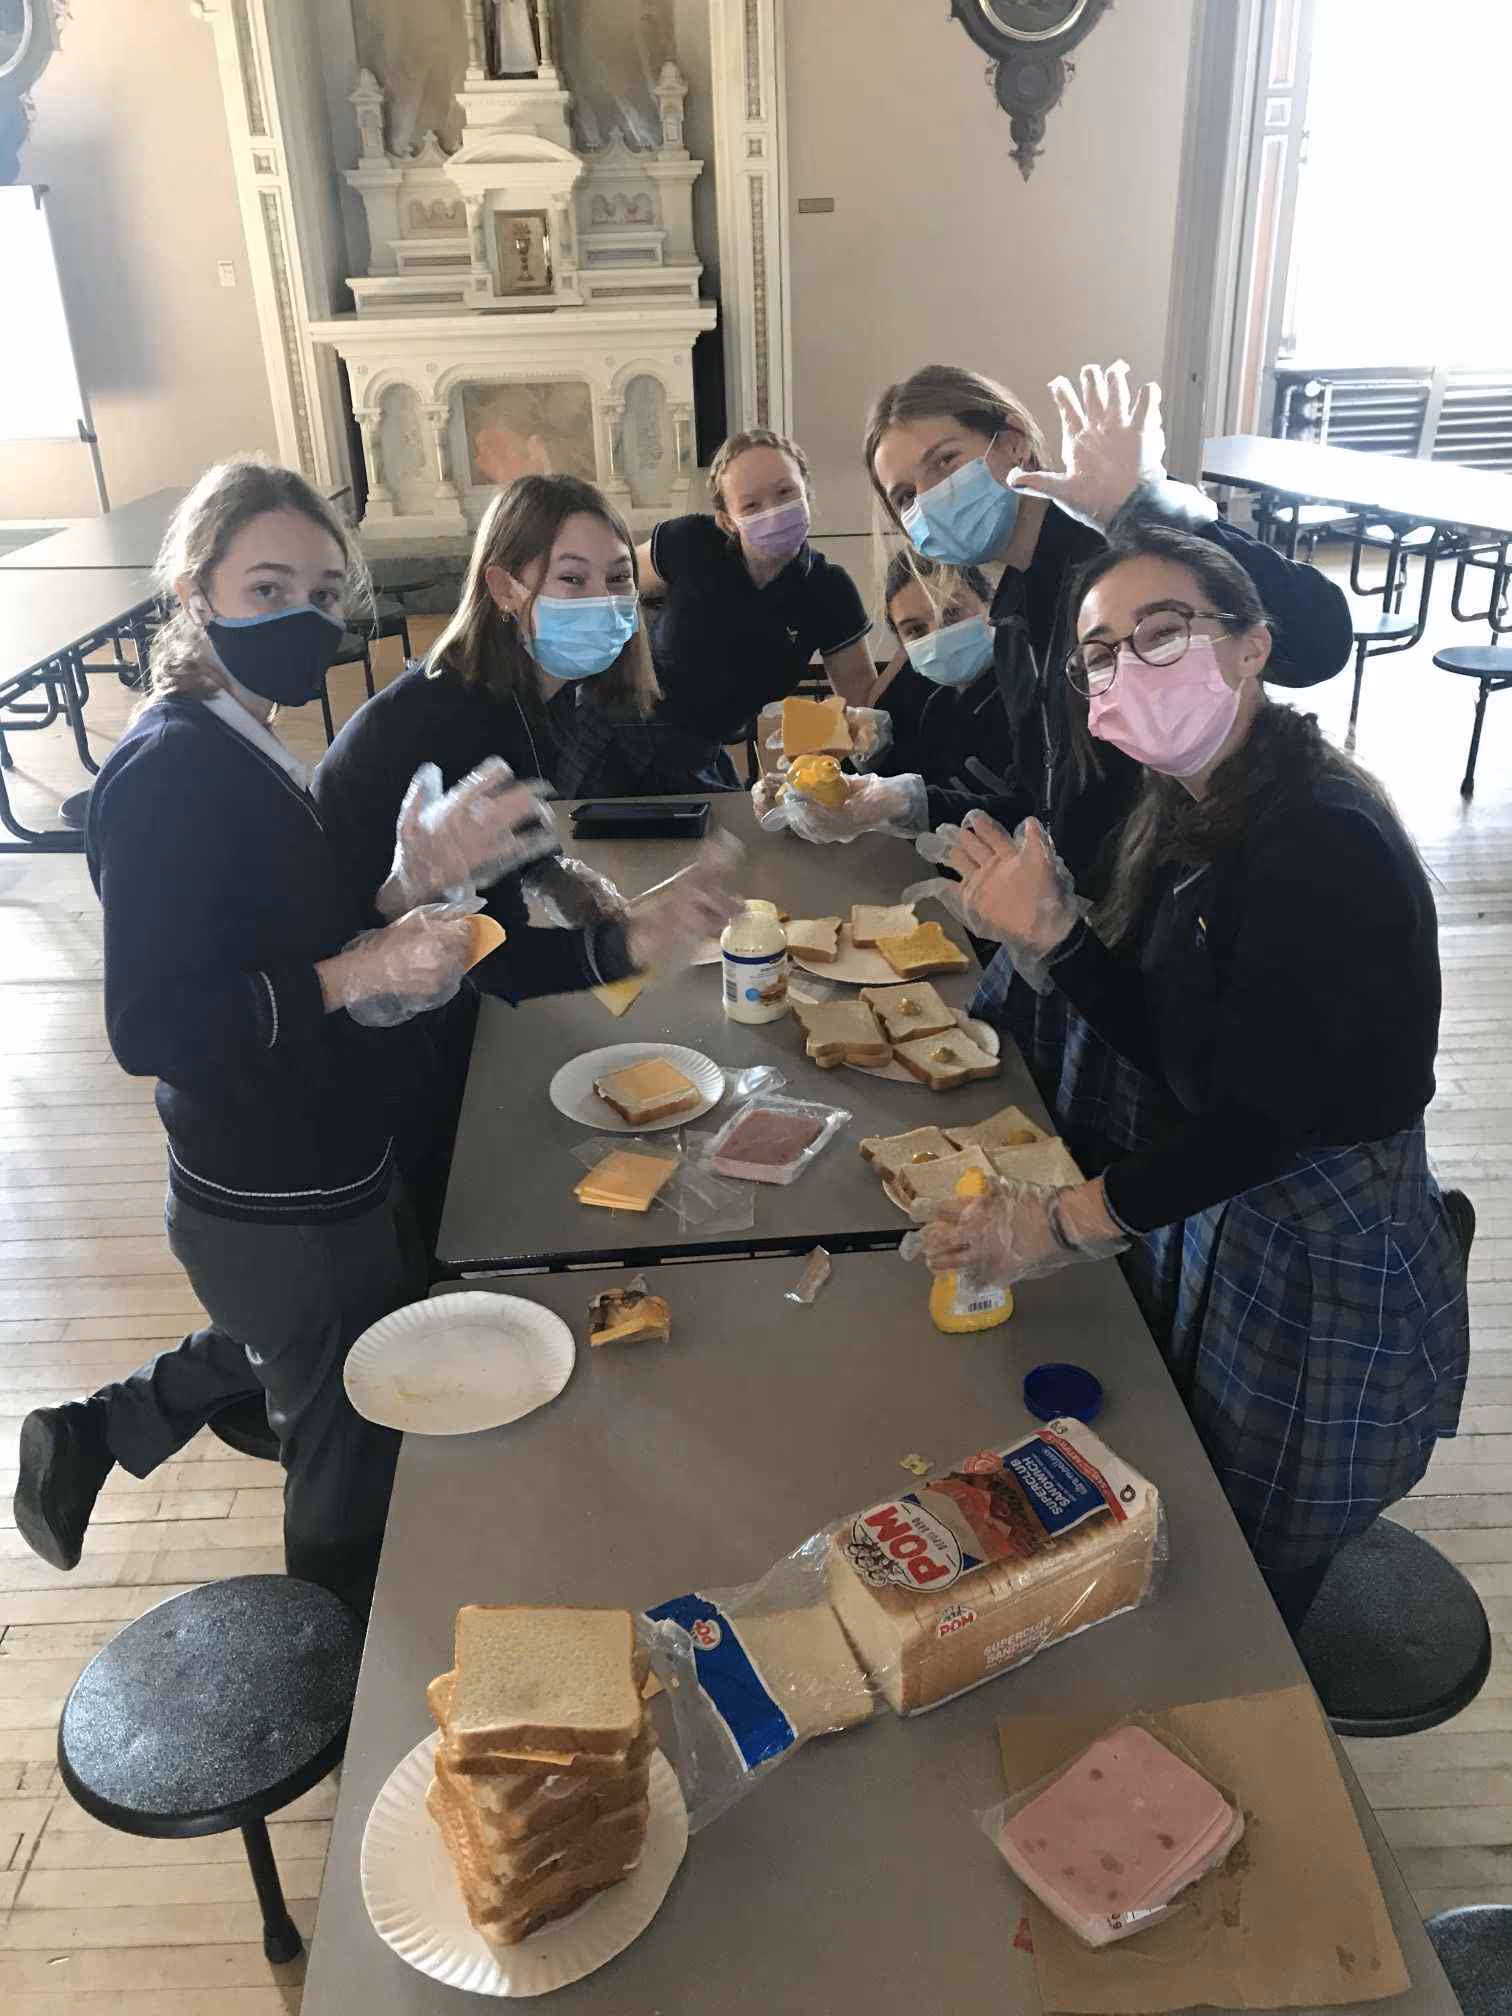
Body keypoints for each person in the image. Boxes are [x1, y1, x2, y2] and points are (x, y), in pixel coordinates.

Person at [916, 525, 1469, 1631]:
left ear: (1252, 645)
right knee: (1203, 1497)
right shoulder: (1192, 801)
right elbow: (1187, 1052)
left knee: (1256, 1573)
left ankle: (1276, 1706)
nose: (1129, 669)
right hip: (1238, 1215)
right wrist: (1061, 941)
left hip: (1314, 1252)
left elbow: (1258, 1124)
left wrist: (1065, 1222)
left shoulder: (1321, 837)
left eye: (1160, 633)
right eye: (1103, 654)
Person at [8, 457, 537, 1612]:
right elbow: (154, 1023)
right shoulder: (167, 772)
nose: (300, 617)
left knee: (328, 1333)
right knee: (345, 1438)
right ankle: (342, 1666)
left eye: (319, 592)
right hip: (273, 1186)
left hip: (320, 1155)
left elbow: (283, 935)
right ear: (194, 593)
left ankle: (95, 1432)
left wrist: (404, 893)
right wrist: (356, 971)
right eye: (265, 588)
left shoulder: (244, 735)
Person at [316, 472, 740, 1244]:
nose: (604, 602)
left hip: (425, 1015)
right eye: (570, 579)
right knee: (441, 1237)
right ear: (505, 587)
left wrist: (552, 872)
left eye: (617, 579)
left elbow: (499, 868)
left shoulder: (520, 691)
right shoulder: (451, 720)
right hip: (368, 1049)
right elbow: (488, 959)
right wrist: (631, 944)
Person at [634, 427, 875, 785]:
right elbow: (611, 583)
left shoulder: (829, 590)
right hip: (621, 728)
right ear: (727, 518)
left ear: (807, 491)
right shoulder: (689, 543)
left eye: (785, 492)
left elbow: (863, 705)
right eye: (751, 505)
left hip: (703, 752)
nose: (773, 511)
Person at [869, 551, 1005, 798]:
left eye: (951, 613)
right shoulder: (923, 690)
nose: (937, 636)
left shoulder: (1027, 692)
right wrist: (869, 755)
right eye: (916, 630)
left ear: (991, 602)